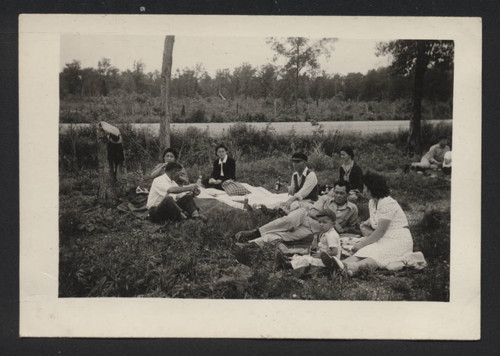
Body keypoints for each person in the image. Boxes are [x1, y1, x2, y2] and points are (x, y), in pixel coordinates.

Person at [321, 171, 413, 276]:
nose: (363, 190)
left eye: (364, 188)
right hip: (384, 238)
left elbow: (380, 230)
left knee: (377, 255)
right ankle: (340, 264)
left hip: (399, 240)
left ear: (372, 188)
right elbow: (375, 221)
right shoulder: (372, 202)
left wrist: (362, 244)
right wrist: (363, 226)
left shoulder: (388, 202)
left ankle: (350, 268)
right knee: (366, 251)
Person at [235, 181, 358, 247]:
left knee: (284, 236)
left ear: (348, 194)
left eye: (342, 193)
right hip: (305, 216)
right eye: (336, 192)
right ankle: (255, 232)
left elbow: (351, 228)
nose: (338, 195)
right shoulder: (325, 199)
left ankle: (251, 244)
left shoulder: (352, 209)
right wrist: (334, 221)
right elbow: (312, 211)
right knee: (287, 222)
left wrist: (341, 229)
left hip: (314, 230)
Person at [275, 209, 342, 271]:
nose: (321, 224)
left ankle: (287, 266)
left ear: (333, 224)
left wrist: (321, 255)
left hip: (330, 261)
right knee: (304, 257)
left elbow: (334, 252)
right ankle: (289, 260)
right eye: (320, 222)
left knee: (306, 259)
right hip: (323, 257)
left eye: (324, 222)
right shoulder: (326, 232)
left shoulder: (331, 235)